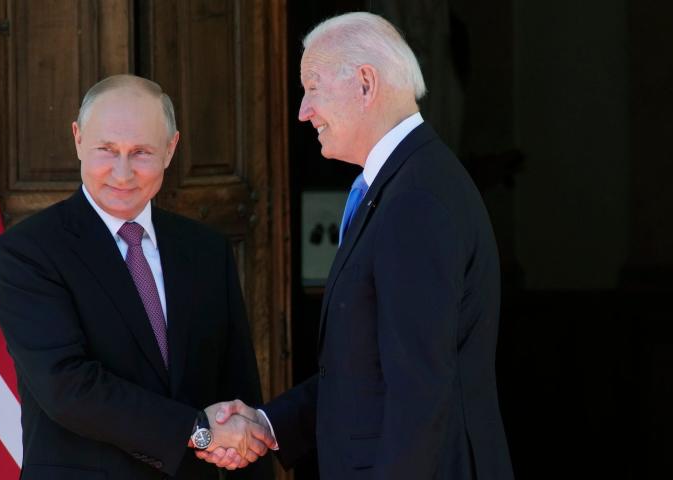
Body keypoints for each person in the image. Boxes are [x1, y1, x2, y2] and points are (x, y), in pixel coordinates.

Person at [200, 12, 514, 479]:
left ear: (366, 84)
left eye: (313, 87)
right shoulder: (401, 183)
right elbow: (366, 369)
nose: (303, 111)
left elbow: (418, 390)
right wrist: (267, 424)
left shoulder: (416, 199)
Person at [0, 74, 275, 479]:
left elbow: (238, 392)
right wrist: (197, 432)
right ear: (77, 139)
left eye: (141, 152)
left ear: (171, 148)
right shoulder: (30, 251)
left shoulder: (206, 249)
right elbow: (68, 387)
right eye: (106, 150)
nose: (122, 173)